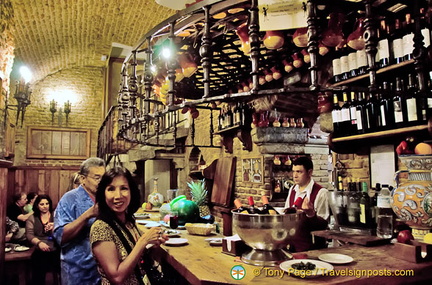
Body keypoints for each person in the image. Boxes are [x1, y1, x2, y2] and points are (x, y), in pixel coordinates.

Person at [90, 167, 168, 285]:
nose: (118, 196)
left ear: (132, 191)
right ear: (103, 194)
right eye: (111, 189)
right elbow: (116, 277)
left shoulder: (128, 221)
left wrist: (154, 245)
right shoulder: (100, 227)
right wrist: (143, 241)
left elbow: (136, 257)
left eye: (124, 188)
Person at [54, 157, 106, 285]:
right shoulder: (69, 198)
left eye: (103, 178)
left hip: (104, 268)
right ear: (83, 179)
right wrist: (87, 215)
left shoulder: (106, 197)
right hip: (77, 269)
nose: (101, 182)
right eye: (97, 178)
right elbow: (60, 236)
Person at [284, 156, 329, 252]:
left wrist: (311, 214)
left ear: (310, 172)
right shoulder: (292, 189)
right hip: (292, 247)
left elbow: (323, 226)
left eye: (299, 172)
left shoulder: (321, 192)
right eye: (293, 171)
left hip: (312, 249)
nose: (294, 175)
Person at [26, 194, 60, 285]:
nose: (45, 206)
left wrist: (54, 228)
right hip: (40, 248)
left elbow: (63, 230)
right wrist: (39, 243)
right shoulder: (32, 218)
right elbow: (29, 235)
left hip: (56, 247)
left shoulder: (56, 215)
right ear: (37, 205)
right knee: (38, 261)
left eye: (47, 204)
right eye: (42, 204)